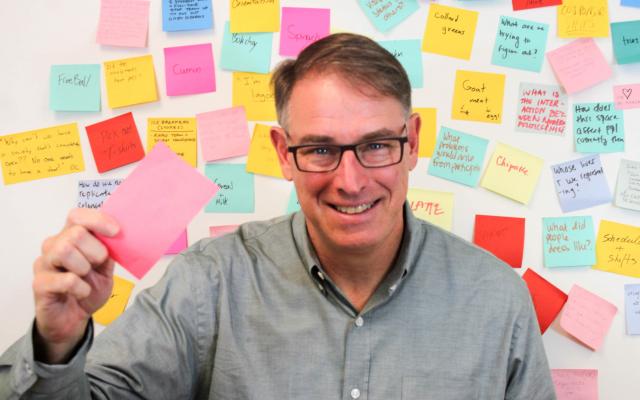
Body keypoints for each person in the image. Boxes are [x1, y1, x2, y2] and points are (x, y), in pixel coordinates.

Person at [0, 33, 556, 399]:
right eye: (320, 149)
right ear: (281, 153)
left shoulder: (496, 299)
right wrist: (57, 345)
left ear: (412, 142)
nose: (351, 179)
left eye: (377, 145)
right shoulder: (208, 284)